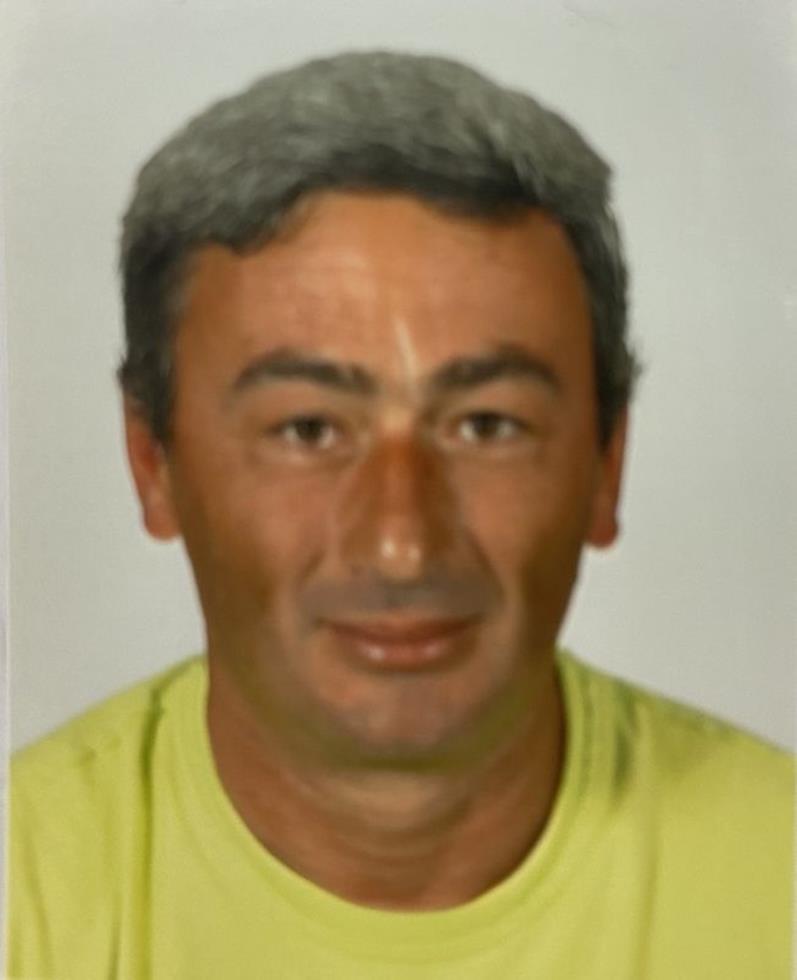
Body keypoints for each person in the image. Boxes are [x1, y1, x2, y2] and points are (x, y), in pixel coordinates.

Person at [5, 50, 793, 979]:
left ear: (605, 463)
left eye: (486, 425)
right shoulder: (26, 889)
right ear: (153, 463)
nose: (401, 545)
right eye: (308, 429)